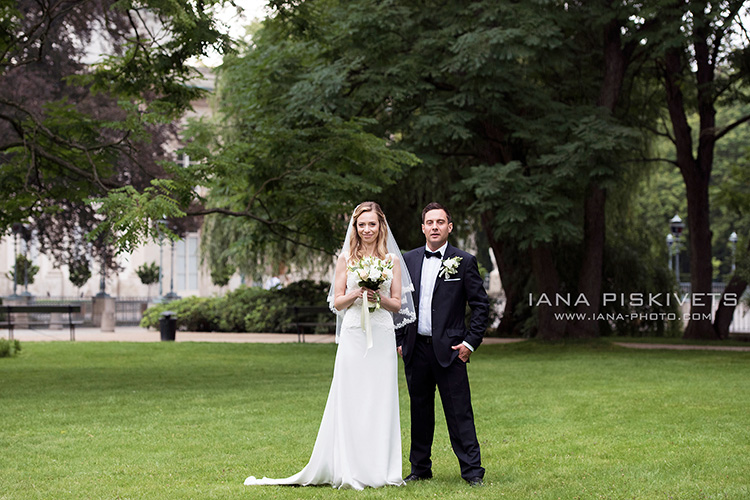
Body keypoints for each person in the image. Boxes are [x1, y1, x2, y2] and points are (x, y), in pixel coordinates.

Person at [244, 201, 416, 490]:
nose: (367, 229)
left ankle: (380, 469)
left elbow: (397, 304)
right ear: (355, 227)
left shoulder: (392, 260)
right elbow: (337, 302)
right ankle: (348, 466)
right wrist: (358, 293)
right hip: (353, 334)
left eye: (371, 224)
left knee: (379, 397)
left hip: (381, 333)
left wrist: (377, 298)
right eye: (361, 224)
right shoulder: (346, 257)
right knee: (351, 396)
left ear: (380, 225)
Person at [396, 202, 489, 487]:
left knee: (459, 412)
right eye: (430, 222)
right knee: (419, 412)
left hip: (450, 351)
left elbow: (481, 306)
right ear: (422, 228)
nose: (435, 227)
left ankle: (472, 471)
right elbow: (398, 304)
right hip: (416, 349)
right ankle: (420, 468)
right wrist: (400, 341)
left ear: (449, 227)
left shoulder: (464, 261)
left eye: (440, 222)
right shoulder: (407, 260)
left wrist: (469, 343)